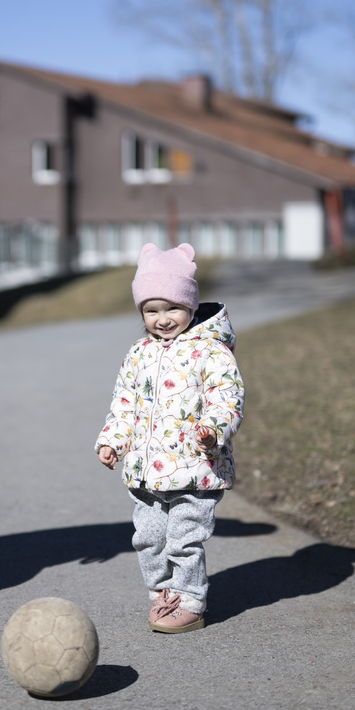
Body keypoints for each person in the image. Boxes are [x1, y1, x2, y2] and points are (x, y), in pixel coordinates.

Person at [95, 242, 245, 633]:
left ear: (191, 306)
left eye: (172, 308)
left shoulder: (210, 351)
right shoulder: (138, 354)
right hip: (146, 473)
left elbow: (227, 397)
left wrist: (214, 431)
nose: (162, 319)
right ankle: (163, 592)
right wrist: (112, 441)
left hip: (195, 469)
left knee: (183, 539)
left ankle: (191, 600)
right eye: (151, 310)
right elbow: (124, 404)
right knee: (147, 538)